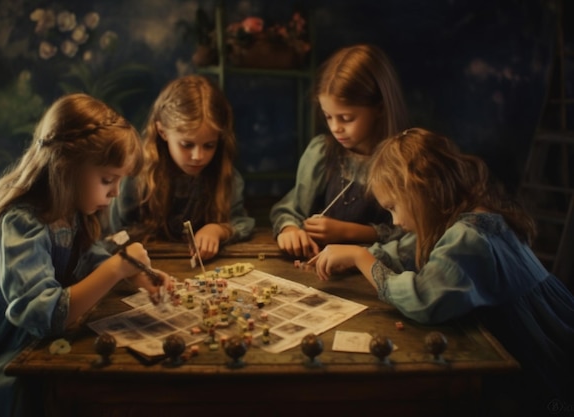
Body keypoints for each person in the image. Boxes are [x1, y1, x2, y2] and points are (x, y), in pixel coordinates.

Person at [311, 127, 574, 415]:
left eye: (394, 207)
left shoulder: (469, 237)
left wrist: (361, 258)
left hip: (535, 355)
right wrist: (349, 258)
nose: (395, 221)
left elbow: (425, 300)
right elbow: (404, 250)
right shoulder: (457, 216)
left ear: (421, 191)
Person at [0, 93, 170, 417]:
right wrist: (116, 269)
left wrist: (134, 274)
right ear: (66, 169)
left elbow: (86, 257)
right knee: (27, 392)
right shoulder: (20, 223)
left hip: (24, 328)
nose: (116, 193)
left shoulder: (74, 209)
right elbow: (45, 316)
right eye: (108, 179)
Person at [270, 43, 410, 259]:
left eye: (346, 118)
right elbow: (290, 209)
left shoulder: (405, 163)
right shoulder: (323, 153)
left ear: (380, 108)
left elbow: (412, 237)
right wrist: (289, 229)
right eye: (328, 116)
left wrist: (348, 232)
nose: (335, 128)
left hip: (377, 278)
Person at [109, 74, 255, 260]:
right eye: (187, 144)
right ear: (162, 131)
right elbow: (114, 235)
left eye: (209, 145)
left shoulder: (226, 176)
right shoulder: (135, 175)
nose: (198, 157)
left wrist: (218, 230)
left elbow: (242, 222)